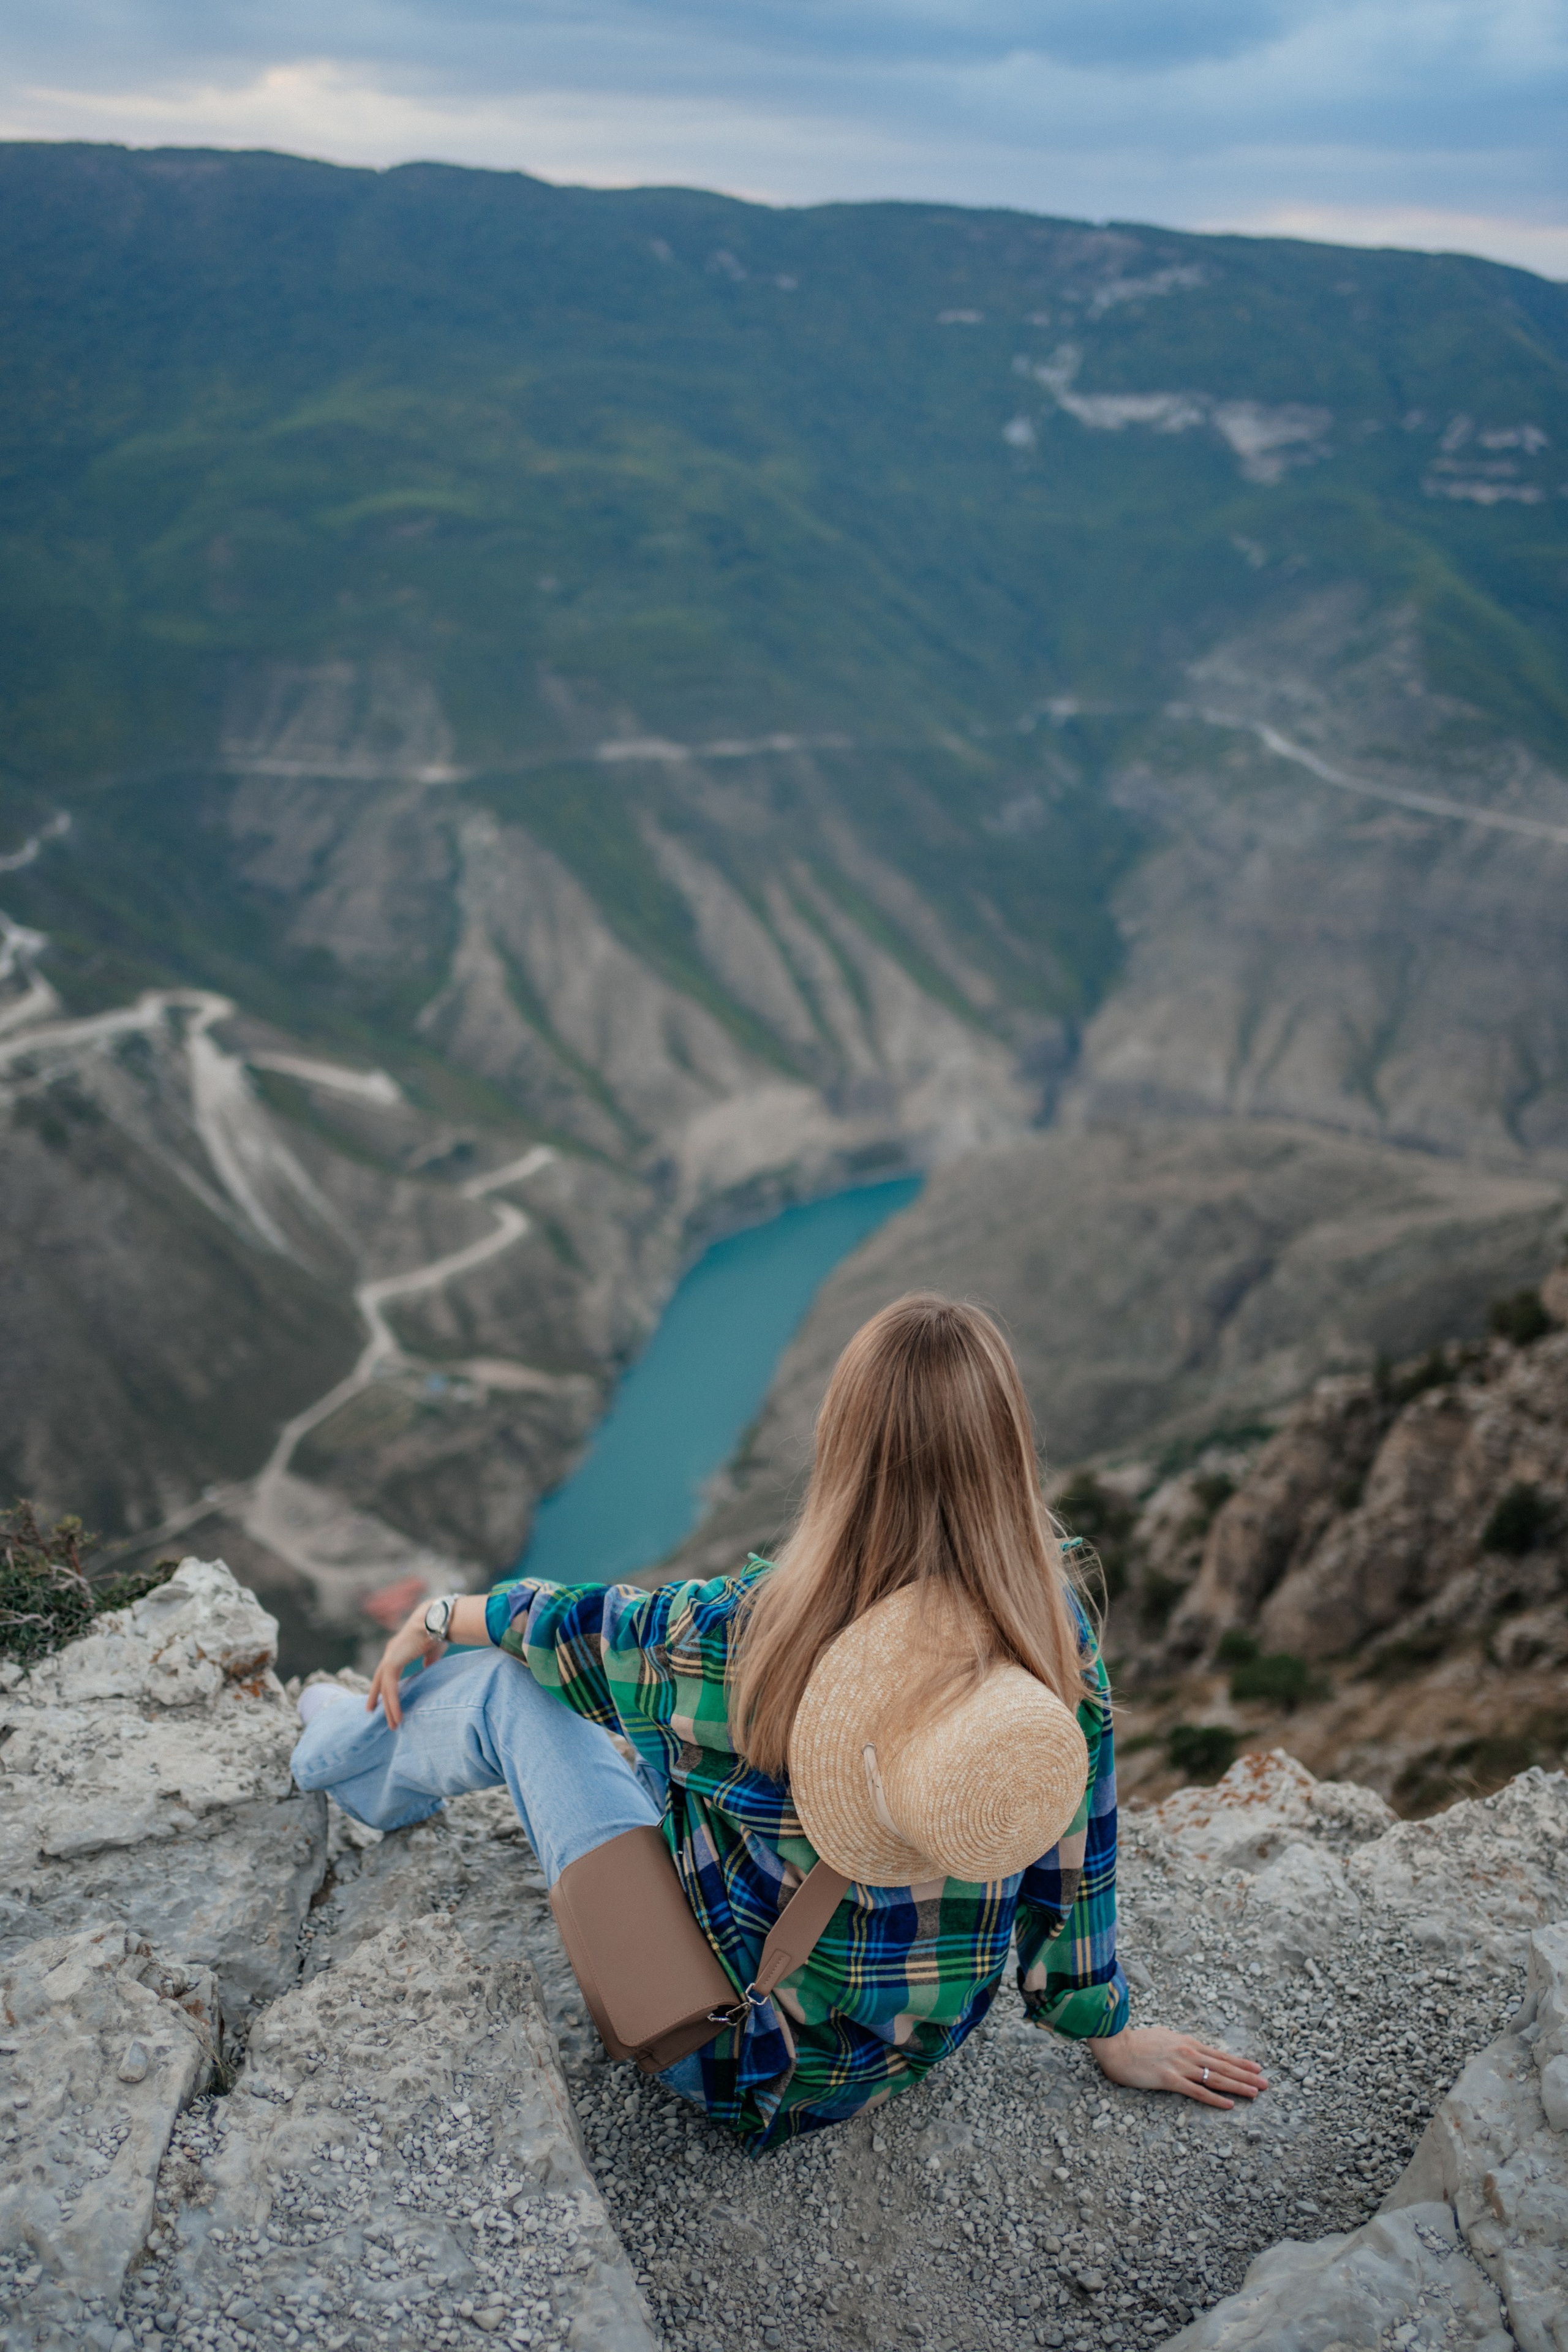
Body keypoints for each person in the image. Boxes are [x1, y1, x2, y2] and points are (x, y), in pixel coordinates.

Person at [292, 1294, 1264, 2149]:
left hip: (732, 2059)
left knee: (511, 1688)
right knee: (655, 1736)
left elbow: (561, 1627)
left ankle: (335, 1749)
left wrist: (433, 1619)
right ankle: (358, 1750)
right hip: (913, 2052)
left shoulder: (746, 1633)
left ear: (844, 1446)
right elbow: (1076, 1862)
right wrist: (1108, 2031)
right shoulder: (1051, 1646)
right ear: (1007, 1447)